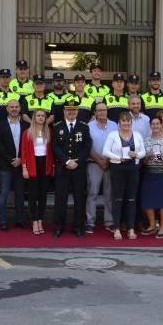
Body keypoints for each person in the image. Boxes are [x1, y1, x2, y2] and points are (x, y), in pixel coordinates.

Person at [103, 111, 146, 240]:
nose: (126, 123)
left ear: (131, 123)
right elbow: (105, 151)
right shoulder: (113, 135)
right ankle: (116, 228)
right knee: (117, 198)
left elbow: (143, 151)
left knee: (132, 199)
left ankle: (131, 228)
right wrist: (118, 157)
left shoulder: (137, 135)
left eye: (128, 121)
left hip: (133, 168)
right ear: (119, 123)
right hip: (117, 167)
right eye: (123, 121)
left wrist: (137, 155)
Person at [52, 99, 92, 237]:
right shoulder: (57, 126)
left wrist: (78, 161)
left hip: (78, 168)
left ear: (77, 112)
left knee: (79, 198)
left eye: (74, 110)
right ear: (64, 111)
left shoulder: (83, 126)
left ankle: (78, 226)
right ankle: (59, 226)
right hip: (63, 168)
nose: (71, 112)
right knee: (60, 198)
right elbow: (55, 147)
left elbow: (87, 146)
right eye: (68, 110)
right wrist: (66, 161)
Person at [0, 99, 29, 231]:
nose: (14, 109)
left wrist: (20, 159)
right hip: (5, 165)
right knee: (3, 193)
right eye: (11, 107)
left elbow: (28, 146)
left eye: (16, 107)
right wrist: (11, 159)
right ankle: (2, 221)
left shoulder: (26, 125)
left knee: (19, 193)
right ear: (7, 109)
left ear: (20, 109)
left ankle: (20, 220)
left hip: (21, 164)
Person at [21, 109, 54, 235]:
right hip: (32, 165)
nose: (41, 118)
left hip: (45, 165)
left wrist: (52, 167)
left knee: (43, 195)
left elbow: (51, 152)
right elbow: (23, 151)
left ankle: (40, 219)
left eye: (43, 116)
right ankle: (34, 220)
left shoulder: (49, 132)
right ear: (34, 118)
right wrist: (24, 168)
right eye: (38, 116)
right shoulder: (27, 133)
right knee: (33, 195)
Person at [86, 102, 118, 233]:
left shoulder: (114, 125)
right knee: (92, 192)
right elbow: (87, 146)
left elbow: (117, 144)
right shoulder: (89, 126)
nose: (102, 112)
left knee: (109, 193)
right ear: (95, 112)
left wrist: (108, 160)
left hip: (110, 163)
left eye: (104, 110)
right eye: (99, 110)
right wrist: (99, 160)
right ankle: (90, 221)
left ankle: (109, 221)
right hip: (94, 163)